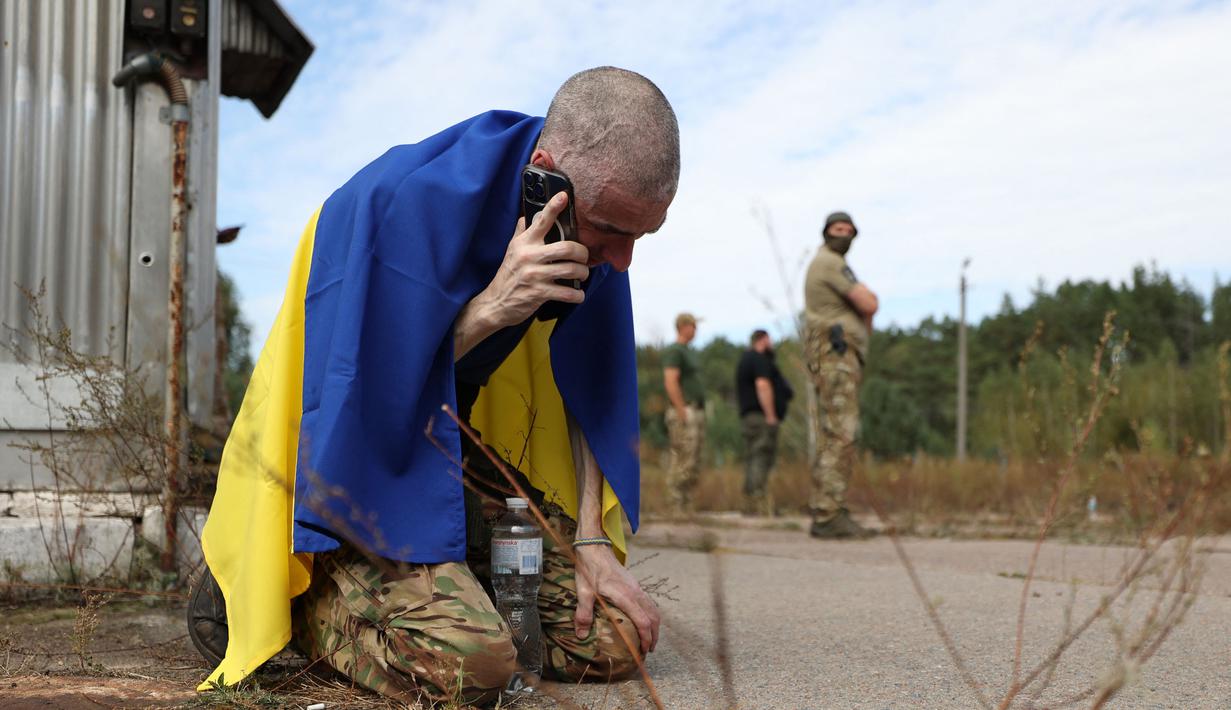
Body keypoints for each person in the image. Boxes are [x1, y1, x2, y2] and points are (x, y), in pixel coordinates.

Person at [191, 67, 679, 705]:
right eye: (613, 231)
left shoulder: (584, 224)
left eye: (640, 236)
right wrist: (490, 311)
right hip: (345, 465)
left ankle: (448, 586)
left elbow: (592, 386)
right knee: (471, 667)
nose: (621, 260)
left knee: (614, 641)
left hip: (444, 445)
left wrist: (589, 538)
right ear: (546, 173)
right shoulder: (402, 199)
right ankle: (288, 599)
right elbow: (358, 396)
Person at [803, 211, 878, 539]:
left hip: (837, 358)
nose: (843, 235)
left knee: (837, 433)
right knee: (842, 434)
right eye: (838, 229)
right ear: (826, 233)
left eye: (849, 231)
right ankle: (828, 513)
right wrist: (867, 308)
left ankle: (828, 506)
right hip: (836, 357)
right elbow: (869, 303)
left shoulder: (829, 261)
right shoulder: (831, 262)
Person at [735, 329, 793, 515]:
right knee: (761, 457)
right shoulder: (758, 359)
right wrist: (770, 415)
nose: (772, 343)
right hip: (760, 416)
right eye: (770, 340)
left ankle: (751, 504)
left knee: (753, 458)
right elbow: (763, 386)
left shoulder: (746, 359)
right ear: (763, 339)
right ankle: (758, 504)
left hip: (751, 417)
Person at [661, 312, 706, 515]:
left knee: (693, 460)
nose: (695, 330)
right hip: (684, 410)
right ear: (683, 326)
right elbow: (671, 380)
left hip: (695, 409)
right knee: (682, 457)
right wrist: (681, 411)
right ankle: (675, 506)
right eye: (693, 326)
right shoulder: (675, 351)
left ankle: (686, 506)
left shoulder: (689, 351)